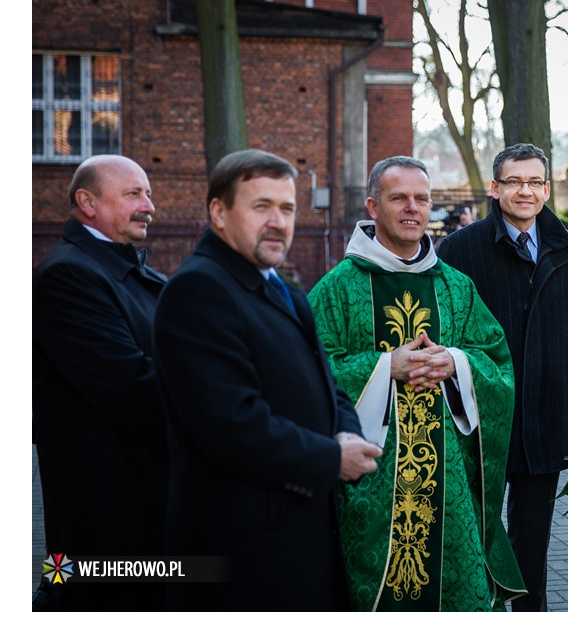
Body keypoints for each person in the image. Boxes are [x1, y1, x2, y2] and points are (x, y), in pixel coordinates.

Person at [152, 149, 381, 611]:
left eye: (287, 208)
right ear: (219, 212)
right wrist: (332, 458)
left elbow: (328, 384)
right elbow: (230, 426)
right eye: (261, 207)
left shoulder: (284, 289)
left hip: (300, 530)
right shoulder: (199, 291)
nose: (278, 221)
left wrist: (346, 430)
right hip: (243, 547)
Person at [307, 156, 526, 611]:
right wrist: (387, 366)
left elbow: (498, 364)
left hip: (450, 486)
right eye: (398, 198)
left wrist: (456, 364)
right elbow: (308, 368)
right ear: (372, 206)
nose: (412, 208)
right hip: (371, 484)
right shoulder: (337, 289)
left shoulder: (456, 287)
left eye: (421, 198)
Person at [437, 143, 568, 612]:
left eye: (534, 182)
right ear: (495, 189)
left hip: (547, 418)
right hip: (479, 423)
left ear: (547, 190)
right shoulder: (459, 249)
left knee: (532, 544)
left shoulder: (566, 248)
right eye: (514, 181)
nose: (524, 191)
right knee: (478, 536)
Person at [33, 155, 168, 611]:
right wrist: (220, 411)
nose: (149, 205)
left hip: (147, 502)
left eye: (148, 193)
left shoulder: (132, 273)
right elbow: (132, 388)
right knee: (76, 598)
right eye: (134, 194)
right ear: (86, 202)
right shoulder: (69, 276)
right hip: (102, 511)